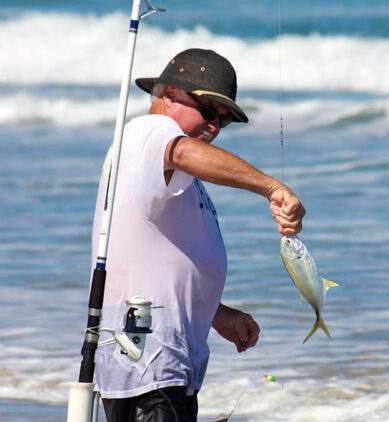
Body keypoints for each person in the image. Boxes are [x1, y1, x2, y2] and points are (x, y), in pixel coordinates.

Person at [90, 48, 305, 421]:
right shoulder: (149, 132)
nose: (215, 127)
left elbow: (161, 259)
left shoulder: (170, 170)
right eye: (208, 111)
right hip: (146, 359)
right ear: (169, 94)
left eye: (224, 121)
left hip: (167, 363)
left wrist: (214, 313)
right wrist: (271, 187)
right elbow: (184, 152)